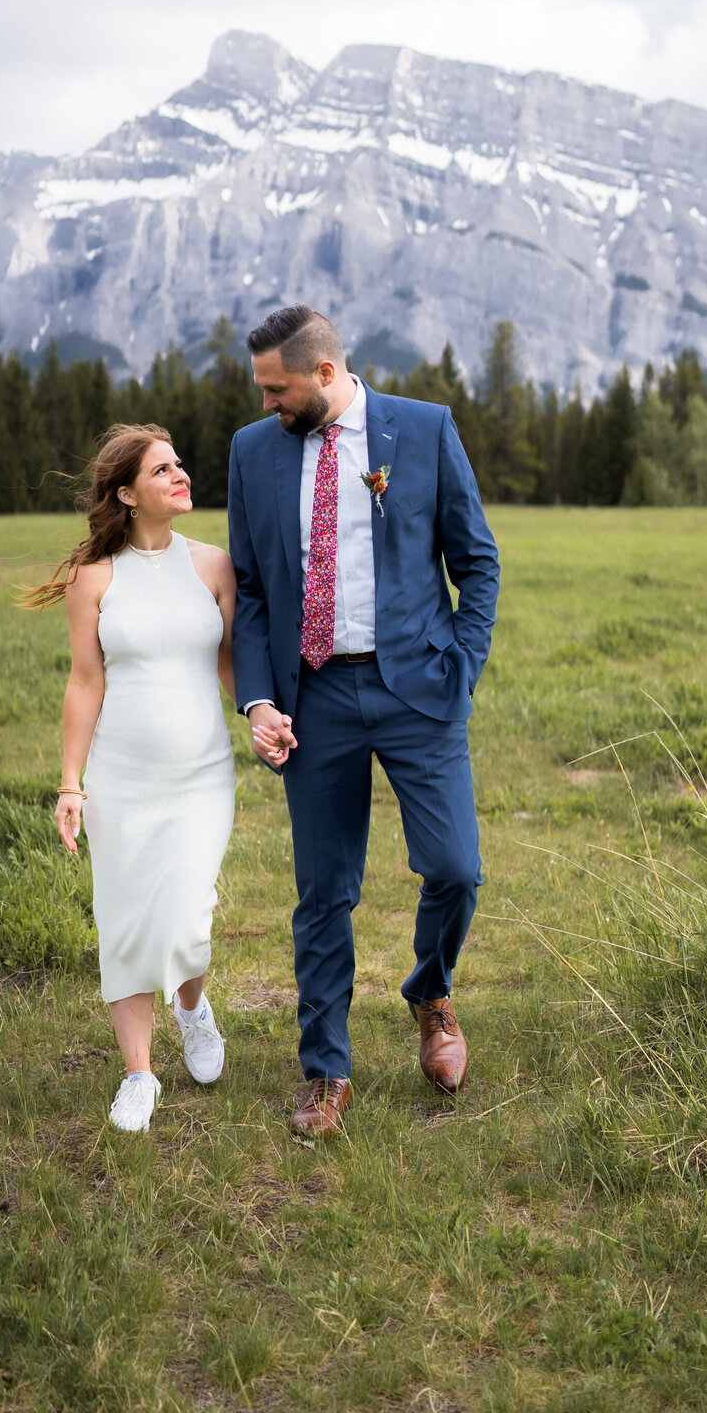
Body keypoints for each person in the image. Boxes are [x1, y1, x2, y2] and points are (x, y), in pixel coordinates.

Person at [227, 306, 499, 1138]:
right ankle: (325, 1070)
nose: (268, 404)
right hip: (315, 699)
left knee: (455, 867)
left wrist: (461, 668)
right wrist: (260, 698)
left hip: (419, 689)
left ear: (323, 374)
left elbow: (476, 559)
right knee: (324, 892)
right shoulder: (253, 451)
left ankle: (430, 991)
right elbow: (253, 590)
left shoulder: (422, 430)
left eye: (277, 389)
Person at [23, 424, 236, 1133]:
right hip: (122, 775)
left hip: (203, 774)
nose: (181, 476)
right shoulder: (96, 577)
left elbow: (237, 669)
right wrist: (70, 784)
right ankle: (139, 1075)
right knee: (123, 922)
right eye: (162, 469)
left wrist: (269, 716)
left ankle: (191, 1007)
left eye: (179, 464)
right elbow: (86, 682)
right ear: (126, 493)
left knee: (187, 915)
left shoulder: (213, 565)